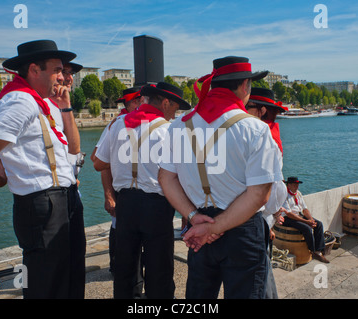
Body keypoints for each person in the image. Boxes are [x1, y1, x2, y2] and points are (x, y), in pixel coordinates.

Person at [0, 40, 87, 298]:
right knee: (45, 283)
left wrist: (65, 107)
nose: (63, 77)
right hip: (42, 203)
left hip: (64, 198)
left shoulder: (44, 102)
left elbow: (73, 150)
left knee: (70, 275)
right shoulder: (19, 101)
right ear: (34, 70)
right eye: (57, 70)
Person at [158, 56, 283, 299]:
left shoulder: (178, 126)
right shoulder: (256, 129)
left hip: (199, 223)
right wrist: (213, 227)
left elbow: (166, 179)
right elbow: (259, 195)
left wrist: (196, 219)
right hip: (242, 230)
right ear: (245, 86)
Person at [93, 82, 191, 299]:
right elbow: (183, 176)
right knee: (160, 268)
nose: (175, 112)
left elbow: (98, 164)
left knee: (126, 267)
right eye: (175, 107)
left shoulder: (118, 123)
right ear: (165, 103)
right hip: (157, 205)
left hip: (126, 202)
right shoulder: (169, 130)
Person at [91, 87, 144, 298]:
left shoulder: (149, 122)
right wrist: (108, 195)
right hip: (125, 194)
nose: (139, 105)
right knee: (125, 248)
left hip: (143, 195)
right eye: (136, 101)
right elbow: (99, 161)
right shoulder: (116, 125)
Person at [246, 87, 288, 298]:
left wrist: (268, 216)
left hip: (257, 218)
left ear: (261, 111)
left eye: (247, 106)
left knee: (258, 277)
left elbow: (275, 188)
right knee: (261, 275)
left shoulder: (263, 137)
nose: (242, 109)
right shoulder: (270, 134)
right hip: (262, 217)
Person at [282, 176, 329, 263]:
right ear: (289, 185)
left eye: (297, 185)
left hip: (298, 215)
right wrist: (306, 222)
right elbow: (288, 213)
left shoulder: (298, 193)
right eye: (295, 185)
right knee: (307, 228)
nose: (297, 187)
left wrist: (311, 220)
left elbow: (305, 209)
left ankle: (319, 250)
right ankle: (313, 250)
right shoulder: (284, 195)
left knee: (319, 224)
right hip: (287, 218)